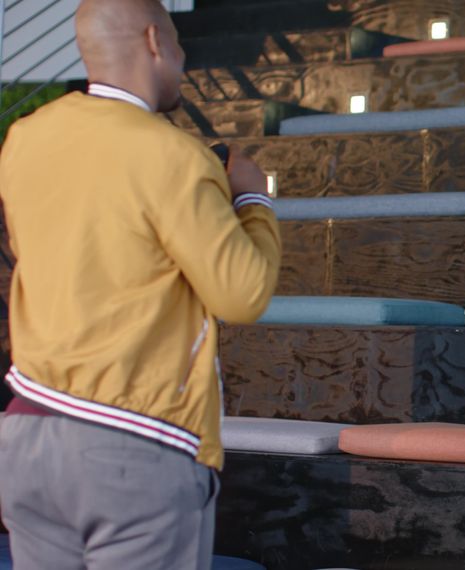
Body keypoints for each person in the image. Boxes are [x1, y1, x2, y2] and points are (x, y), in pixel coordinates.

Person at [0, 0, 282, 568]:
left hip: (26, 434)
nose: (182, 61)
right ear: (155, 41)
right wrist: (252, 198)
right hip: (131, 445)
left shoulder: (23, 139)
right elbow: (242, 294)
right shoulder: (174, 155)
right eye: (178, 44)